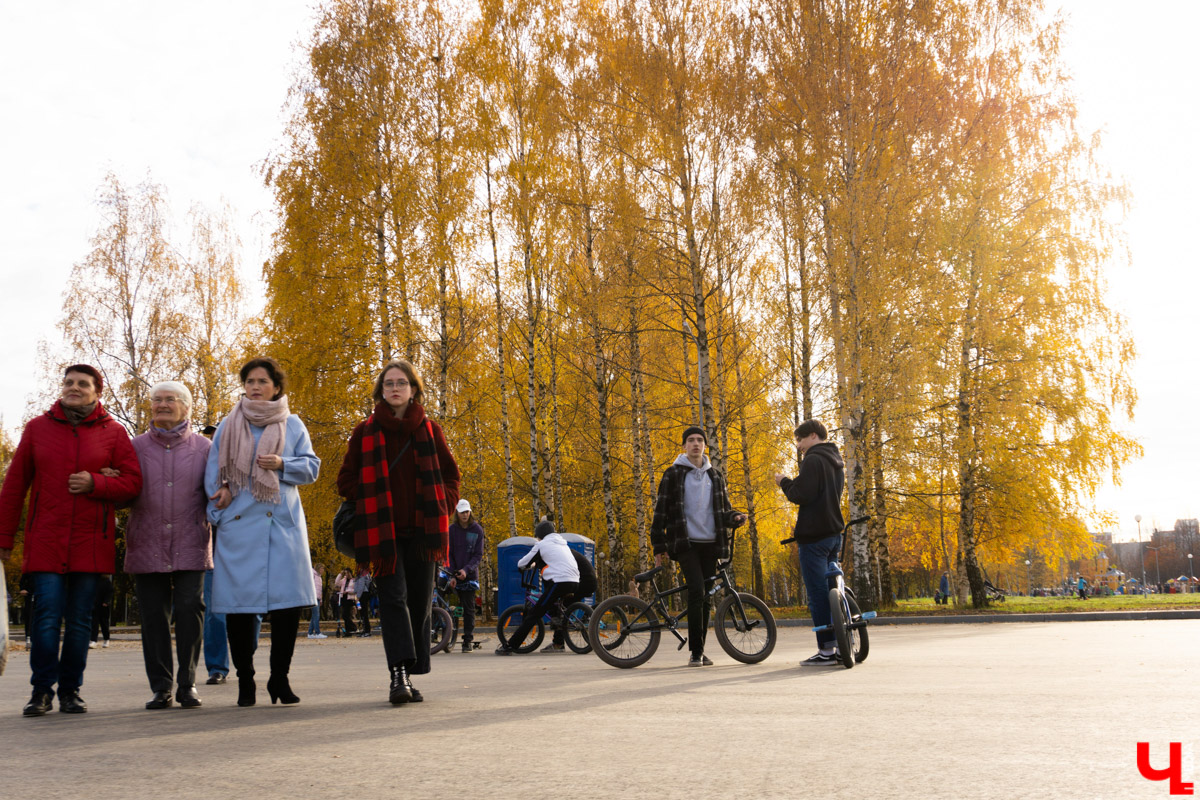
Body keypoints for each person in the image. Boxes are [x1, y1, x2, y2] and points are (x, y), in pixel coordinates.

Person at [0, 364, 143, 716]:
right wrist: (3, 538)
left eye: (82, 384)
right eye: (69, 383)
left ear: (98, 392)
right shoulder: (36, 429)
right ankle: (41, 692)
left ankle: (70, 691)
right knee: (46, 618)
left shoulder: (114, 432)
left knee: (80, 621)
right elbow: (14, 487)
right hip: (46, 540)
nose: (74, 388)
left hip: (91, 543)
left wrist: (97, 483)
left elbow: (133, 484)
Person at [337, 359, 460, 705]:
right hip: (383, 534)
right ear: (381, 390)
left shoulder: (431, 431)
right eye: (389, 383)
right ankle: (398, 675)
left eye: (401, 383)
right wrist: (373, 494)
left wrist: (444, 505)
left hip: (424, 532)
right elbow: (345, 481)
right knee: (393, 601)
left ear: (413, 389)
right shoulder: (365, 431)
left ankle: (412, 669)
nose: (395, 388)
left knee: (420, 603)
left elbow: (452, 476)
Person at [206, 357, 320, 707]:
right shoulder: (228, 424)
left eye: (262, 381)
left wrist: (283, 464)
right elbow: (213, 473)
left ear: (276, 387)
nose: (255, 387)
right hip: (239, 525)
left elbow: (311, 468)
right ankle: (245, 681)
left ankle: (279, 680)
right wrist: (218, 507)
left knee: (287, 609)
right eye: (250, 381)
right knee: (239, 610)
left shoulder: (293, 424)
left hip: (282, 527)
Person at [124, 381, 213, 709]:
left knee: (191, 610)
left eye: (170, 400)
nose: (162, 405)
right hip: (146, 541)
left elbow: (217, 489)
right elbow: (123, 489)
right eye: (157, 400)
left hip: (192, 540)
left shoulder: (204, 448)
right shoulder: (134, 447)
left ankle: (187, 684)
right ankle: (161, 687)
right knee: (153, 617)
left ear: (186, 408)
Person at [650, 426, 746, 666]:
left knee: (705, 598)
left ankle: (700, 650)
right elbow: (660, 511)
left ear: (705, 446)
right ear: (684, 446)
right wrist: (658, 545)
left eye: (699, 440)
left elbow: (723, 509)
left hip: (710, 544)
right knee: (696, 590)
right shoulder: (672, 473)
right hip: (685, 542)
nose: (695, 444)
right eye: (691, 440)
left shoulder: (715, 476)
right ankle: (695, 652)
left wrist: (734, 517)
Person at [774, 419, 845, 667]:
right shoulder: (836, 460)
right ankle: (841, 643)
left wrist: (784, 481)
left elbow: (800, 494)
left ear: (813, 436)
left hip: (814, 537)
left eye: (800, 440)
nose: (799, 446)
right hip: (834, 533)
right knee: (832, 589)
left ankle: (826, 651)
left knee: (817, 594)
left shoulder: (813, 460)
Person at [496, 519, 579, 656]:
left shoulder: (541, 544)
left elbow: (522, 563)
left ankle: (510, 645)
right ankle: (559, 625)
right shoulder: (562, 544)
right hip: (575, 581)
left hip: (560, 582)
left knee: (535, 613)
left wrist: (525, 566)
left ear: (540, 535)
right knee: (555, 604)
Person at [447, 498, 484, 653]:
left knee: (469, 609)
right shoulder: (452, 530)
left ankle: (467, 640)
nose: (465, 515)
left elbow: (478, 555)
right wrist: (454, 574)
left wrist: (466, 570)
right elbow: (449, 552)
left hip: (469, 576)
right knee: (446, 603)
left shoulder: (477, 530)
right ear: (457, 513)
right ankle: (444, 634)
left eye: (467, 511)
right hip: (453, 573)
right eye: (462, 512)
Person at [88, 574, 113, 649]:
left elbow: (110, 592)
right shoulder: (93, 581)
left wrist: (106, 601)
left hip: (103, 606)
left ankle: (106, 639)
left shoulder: (106, 581)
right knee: (94, 624)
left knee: (104, 624)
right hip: (94, 605)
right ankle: (93, 640)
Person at [334, 567, 358, 636]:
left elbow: (355, 590)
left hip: (350, 598)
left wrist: (347, 592)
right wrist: (340, 574)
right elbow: (337, 583)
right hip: (343, 598)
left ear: (350, 573)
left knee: (345, 615)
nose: (346, 574)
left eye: (347, 573)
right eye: (345, 573)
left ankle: (353, 627)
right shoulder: (344, 580)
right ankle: (348, 631)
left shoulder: (354, 580)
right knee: (346, 615)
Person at [307, 564, 327, 639]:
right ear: (318, 568)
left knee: (314, 615)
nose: (323, 570)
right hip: (313, 598)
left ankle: (310, 633)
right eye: (322, 568)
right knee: (316, 615)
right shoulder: (313, 574)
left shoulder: (319, 577)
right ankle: (317, 633)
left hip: (317, 598)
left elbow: (320, 590)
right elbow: (309, 585)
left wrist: (321, 599)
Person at [355, 568, 374, 637]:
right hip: (364, 594)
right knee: (363, 613)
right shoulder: (366, 573)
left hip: (363, 594)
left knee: (363, 613)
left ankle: (367, 631)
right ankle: (365, 630)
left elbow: (361, 585)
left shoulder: (362, 573)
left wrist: (358, 596)